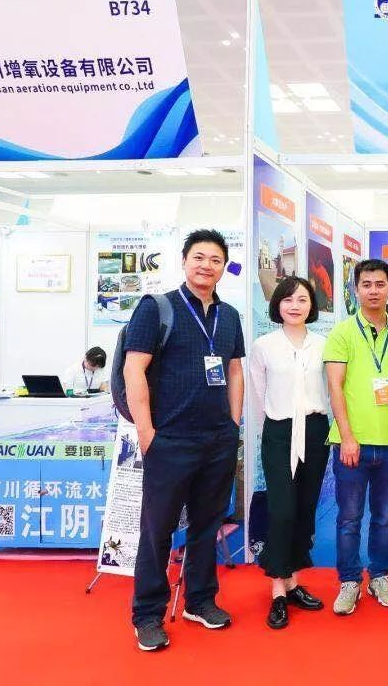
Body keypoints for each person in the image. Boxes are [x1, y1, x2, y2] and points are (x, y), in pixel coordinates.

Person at [125, 229, 245, 652]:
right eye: (199, 257)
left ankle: (199, 600)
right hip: (170, 440)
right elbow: (134, 369)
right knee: (157, 530)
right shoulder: (157, 308)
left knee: (207, 525)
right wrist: (146, 433)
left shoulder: (230, 316)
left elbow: (233, 370)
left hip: (217, 440)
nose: (206, 265)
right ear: (184, 260)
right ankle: (147, 615)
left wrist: (233, 424)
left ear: (223, 267)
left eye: (215, 259)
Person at [324, 259, 388, 615]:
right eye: (366, 284)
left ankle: (380, 576)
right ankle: (349, 581)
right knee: (349, 518)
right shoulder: (342, 333)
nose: (373, 290)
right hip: (352, 444)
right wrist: (347, 436)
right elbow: (335, 387)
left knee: (385, 516)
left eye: (380, 284)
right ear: (356, 289)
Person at [249, 276, 330, 629]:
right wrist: (267, 433)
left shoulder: (324, 344)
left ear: (312, 305)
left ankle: (294, 582)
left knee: (304, 509)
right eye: (287, 299)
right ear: (277, 305)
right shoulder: (263, 346)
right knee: (281, 510)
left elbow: (332, 390)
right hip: (279, 432)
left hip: (315, 430)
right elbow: (258, 396)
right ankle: (278, 590)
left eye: (302, 299)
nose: (295, 306)